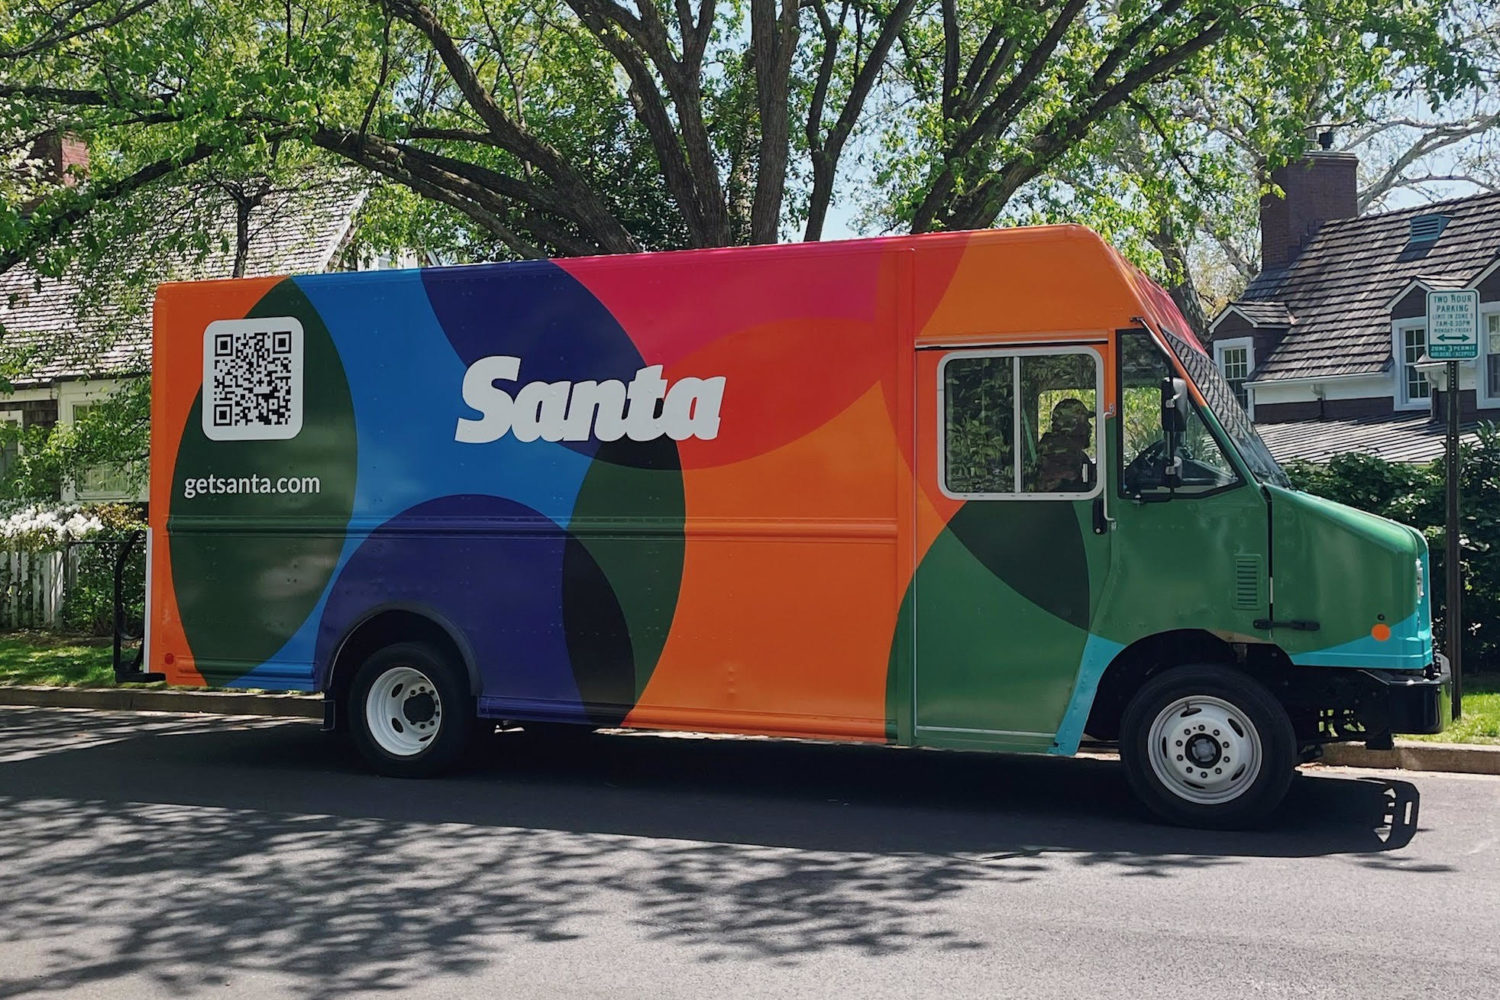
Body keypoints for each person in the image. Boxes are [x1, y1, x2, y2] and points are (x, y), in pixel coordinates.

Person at [1034, 397, 1095, 492]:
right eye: (1085, 421)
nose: (1090, 426)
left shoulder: (1064, 449)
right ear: (1071, 423)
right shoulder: (1060, 453)